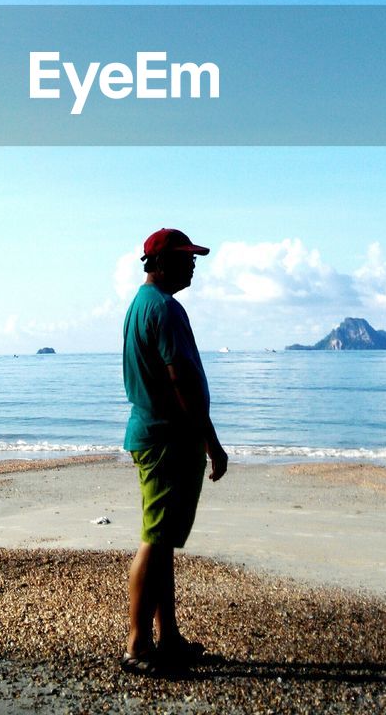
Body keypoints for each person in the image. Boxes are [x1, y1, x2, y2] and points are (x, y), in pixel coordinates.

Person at [121, 227, 228, 676]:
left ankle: (169, 639)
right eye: (187, 257)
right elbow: (180, 377)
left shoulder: (142, 306)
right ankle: (138, 646)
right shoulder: (163, 309)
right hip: (167, 440)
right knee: (156, 539)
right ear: (160, 264)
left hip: (156, 435)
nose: (194, 264)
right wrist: (212, 441)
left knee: (163, 542)